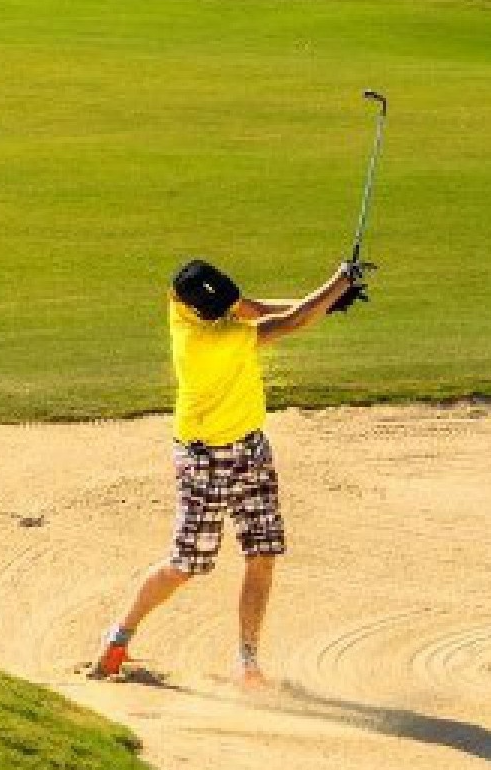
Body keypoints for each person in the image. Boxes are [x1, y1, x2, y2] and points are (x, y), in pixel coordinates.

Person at [87, 258, 367, 688]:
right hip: (205, 461)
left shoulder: (180, 303)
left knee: (263, 554)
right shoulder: (211, 342)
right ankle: (119, 637)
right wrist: (336, 284)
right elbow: (289, 322)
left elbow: (255, 308)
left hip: (251, 449)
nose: (231, 312)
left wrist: (328, 300)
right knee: (186, 566)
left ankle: (248, 662)